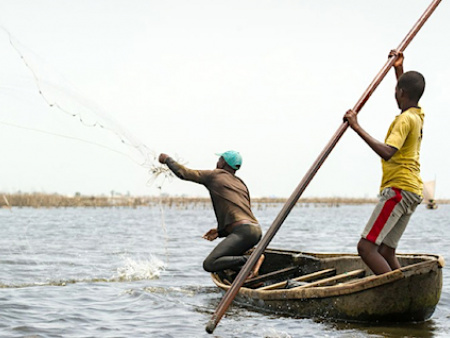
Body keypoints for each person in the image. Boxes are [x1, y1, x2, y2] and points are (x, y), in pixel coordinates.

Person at [343, 50, 425, 275]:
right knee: (387, 251)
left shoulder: (404, 120)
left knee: (366, 248)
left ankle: (394, 293)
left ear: (400, 93)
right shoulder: (417, 115)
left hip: (398, 189)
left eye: (396, 92)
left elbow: (388, 152)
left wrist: (356, 126)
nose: (395, 96)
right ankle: (405, 290)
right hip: (413, 191)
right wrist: (399, 68)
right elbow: (406, 91)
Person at [158, 150, 264, 279]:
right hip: (256, 230)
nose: (217, 162)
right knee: (224, 263)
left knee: (210, 264)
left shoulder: (215, 176)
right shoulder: (241, 183)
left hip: (243, 232)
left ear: (224, 163)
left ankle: (249, 261)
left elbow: (183, 173)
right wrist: (220, 232)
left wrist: (167, 159)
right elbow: (239, 212)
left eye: (220, 159)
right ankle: (251, 275)